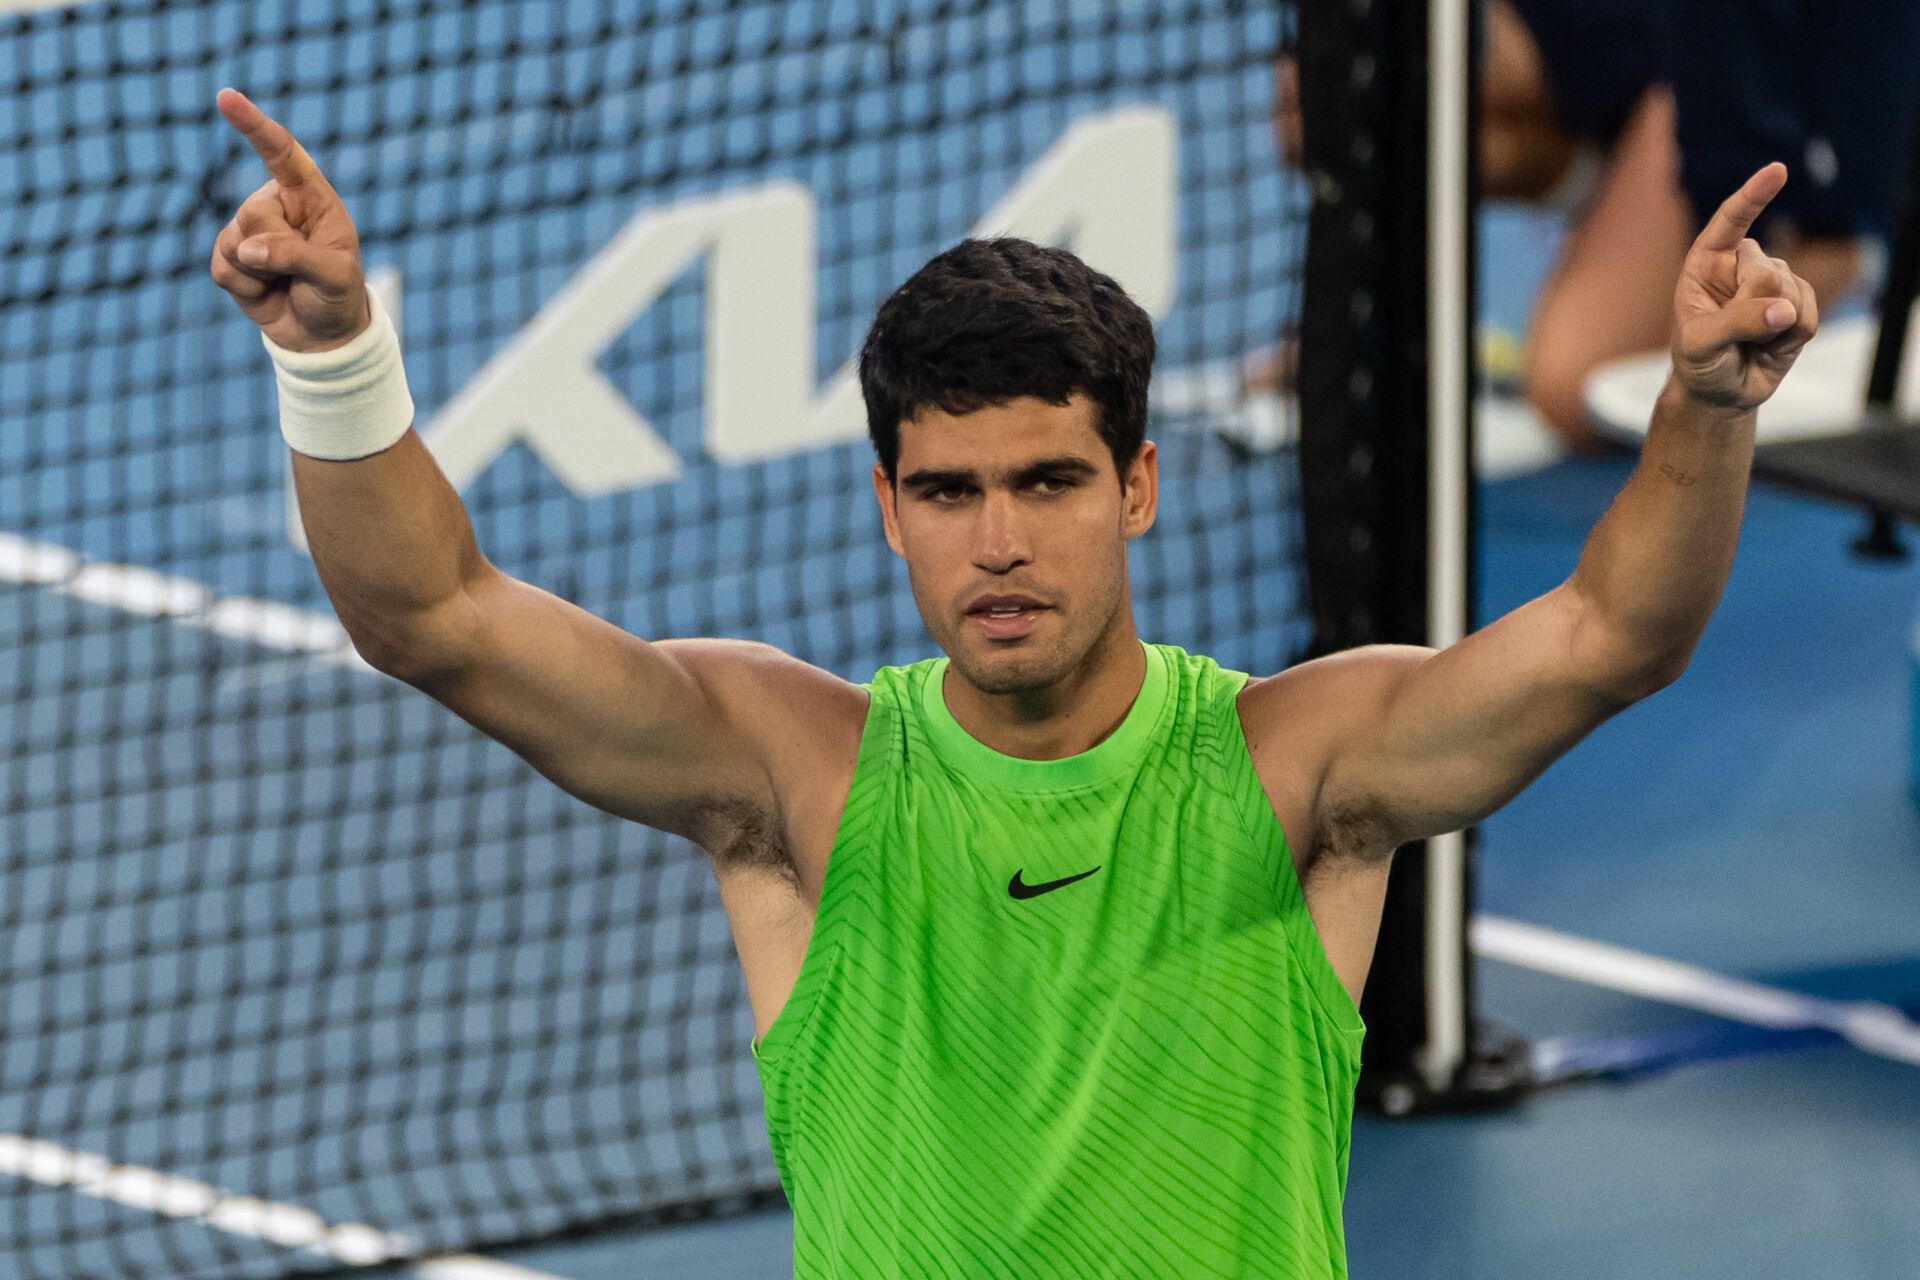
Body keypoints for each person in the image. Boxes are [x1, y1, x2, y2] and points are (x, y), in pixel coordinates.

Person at [210, 82, 1817, 1277]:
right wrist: (334, 353)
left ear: (1137, 486)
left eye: (1047, 484)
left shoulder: (1300, 766)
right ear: (886, 504)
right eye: (947, 492)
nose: (997, 545)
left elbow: (1616, 634)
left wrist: (1707, 410)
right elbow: (431, 614)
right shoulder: (797, 775)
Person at [1272, 0, 1905, 453]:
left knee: (1576, 387)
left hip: (1743, 70)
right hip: (1620, 33)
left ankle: (1850, 252)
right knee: (1326, 97)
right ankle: (1607, 186)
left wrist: (1803, 219)